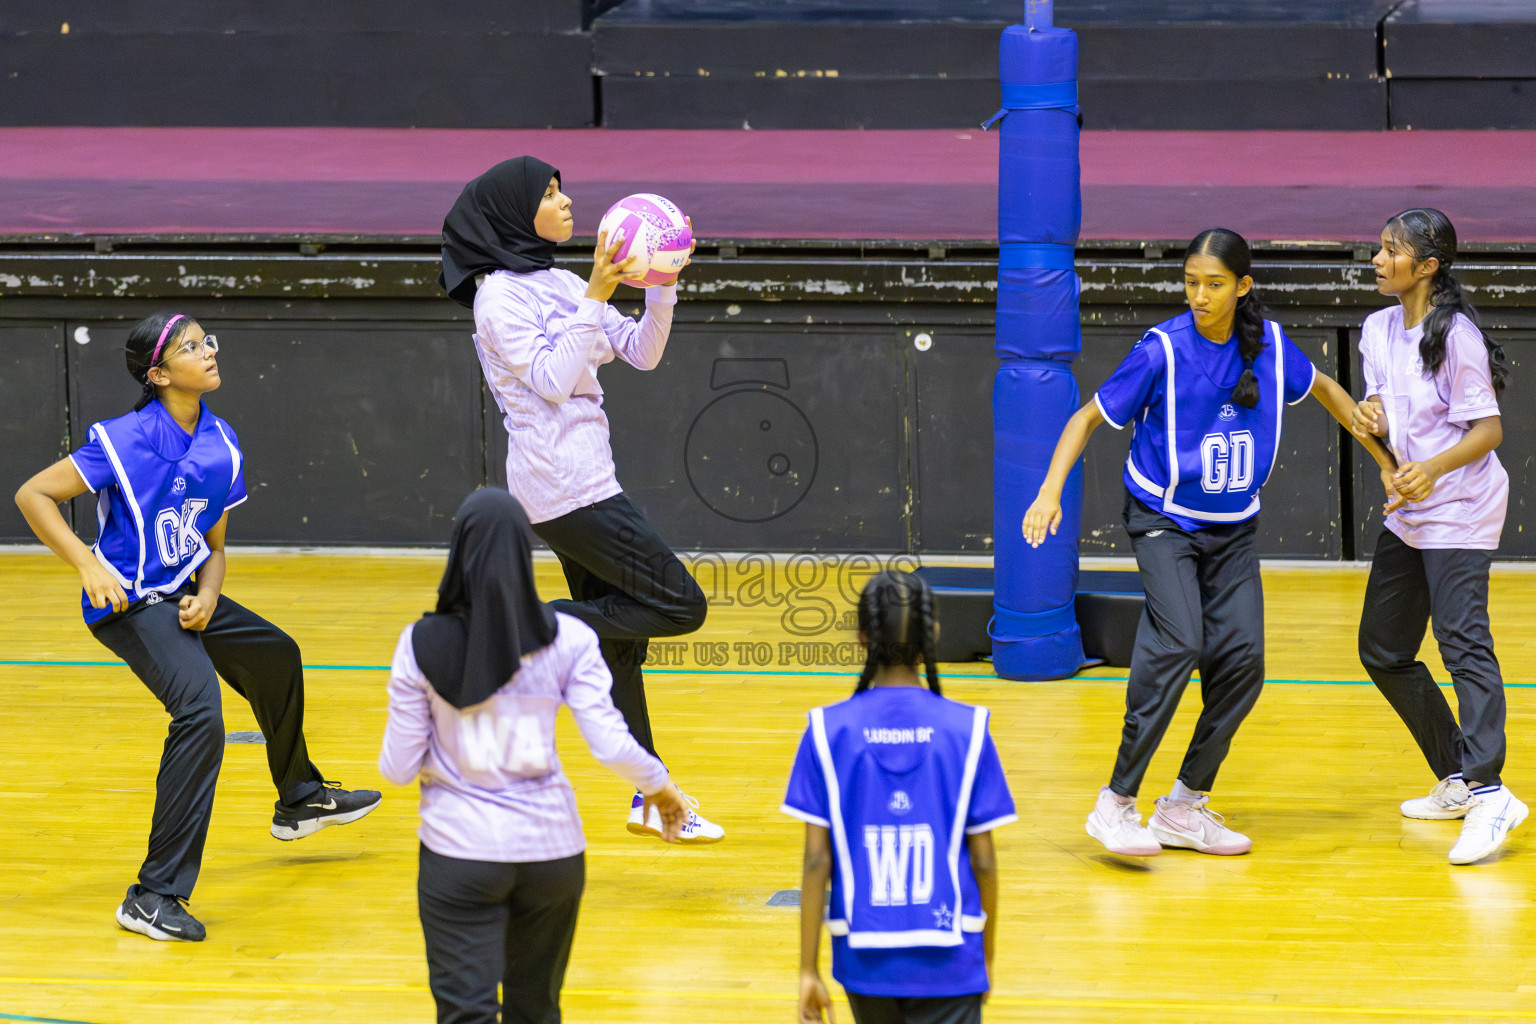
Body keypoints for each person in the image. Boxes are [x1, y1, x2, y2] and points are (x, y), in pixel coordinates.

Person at [1022, 228, 1397, 858]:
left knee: (1245, 661)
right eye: (1190, 282)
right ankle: (1115, 802)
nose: (1199, 295)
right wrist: (1048, 492)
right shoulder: (1162, 350)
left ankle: (1183, 806)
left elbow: (1328, 391)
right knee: (1179, 641)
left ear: (1242, 286)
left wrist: (1383, 460)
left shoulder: (1269, 345)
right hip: (1163, 520)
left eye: (1213, 284)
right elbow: (1086, 418)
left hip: (1233, 529)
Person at [13, 312, 381, 943]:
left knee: (276, 654)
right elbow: (33, 495)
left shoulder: (221, 441)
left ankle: (299, 797)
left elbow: (214, 546)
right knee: (200, 713)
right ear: (158, 375)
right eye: (191, 347)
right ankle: (152, 896)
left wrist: (209, 594)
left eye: (207, 341)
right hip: (129, 603)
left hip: (186, 590)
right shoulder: (122, 441)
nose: (209, 351)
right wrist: (88, 566)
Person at [437, 155, 721, 843]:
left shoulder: (561, 281)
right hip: (565, 486)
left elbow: (642, 353)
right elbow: (554, 381)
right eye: (549, 193)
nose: (566, 202)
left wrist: (661, 285)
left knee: (621, 647)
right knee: (681, 605)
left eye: (562, 190)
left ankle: (653, 800)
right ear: (514, 214)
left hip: (586, 479)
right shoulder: (499, 300)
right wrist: (595, 292)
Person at [379, 488, 687, 1024]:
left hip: (460, 854)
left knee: (465, 1012)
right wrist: (659, 788)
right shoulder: (569, 637)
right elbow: (610, 742)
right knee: (536, 1011)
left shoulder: (419, 642)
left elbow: (397, 768)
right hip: (553, 855)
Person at [1349, 208, 1523, 865]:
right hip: (1411, 509)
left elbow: (1488, 431)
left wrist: (1431, 469)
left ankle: (1490, 792)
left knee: (1461, 642)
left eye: (1391, 251)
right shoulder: (1376, 329)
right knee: (1383, 648)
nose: (1377, 259)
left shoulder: (1456, 337)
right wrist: (1375, 420)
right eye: (1378, 247)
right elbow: (1385, 406)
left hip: (1462, 507)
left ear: (1426, 267)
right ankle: (1457, 774)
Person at [784, 571, 1015, 1024]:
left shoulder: (826, 730)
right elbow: (985, 861)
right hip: (953, 960)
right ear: (934, 633)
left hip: (865, 963)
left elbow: (816, 861)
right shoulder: (968, 729)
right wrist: (986, 957)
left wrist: (808, 971)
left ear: (861, 636)